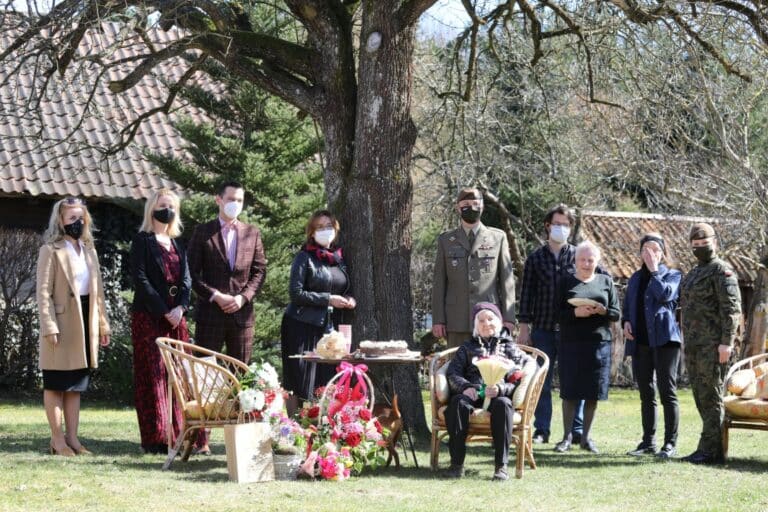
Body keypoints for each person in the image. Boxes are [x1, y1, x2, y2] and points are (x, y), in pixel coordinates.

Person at [130, 189, 205, 454]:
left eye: (172, 206)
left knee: (181, 375)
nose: (168, 210)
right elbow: (140, 279)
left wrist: (181, 308)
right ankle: (158, 437)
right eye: (163, 205)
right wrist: (164, 310)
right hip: (149, 316)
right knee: (154, 376)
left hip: (176, 318)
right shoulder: (142, 241)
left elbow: (186, 280)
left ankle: (187, 435)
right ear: (152, 209)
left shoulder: (177, 243)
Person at [36, 197, 110, 456]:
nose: (77, 223)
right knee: (56, 383)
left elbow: (98, 291)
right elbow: (43, 292)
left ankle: (73, 440)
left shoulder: (89, 250)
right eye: (72, 219)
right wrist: (49, 325)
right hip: (60, 323)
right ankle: (57, 441)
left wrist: (102, 324)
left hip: (85, 323)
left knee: (76, 386)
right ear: (60, 221)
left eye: (81, 218)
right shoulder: (50, 250)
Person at [517, 204, 586, 445]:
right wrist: (524, 328)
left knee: (574, 380)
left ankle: (576, 430)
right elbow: (526, 294)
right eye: (557, 224)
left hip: (572, 330)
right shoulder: (535, 258)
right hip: (543, 329)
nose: (561, 229)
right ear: (548, 226)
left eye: (565, 225)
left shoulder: (578, 256)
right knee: (541, 382)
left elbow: (598, 281)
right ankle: (541, 429)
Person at [444, 302, 534, 481]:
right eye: (481, 320)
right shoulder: (467, 347)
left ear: (499, 321)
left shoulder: (509, 347)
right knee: (457, 403)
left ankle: (501, 467)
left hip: (498, 395)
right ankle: (456, 464)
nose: (486, 324)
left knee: (504, 405)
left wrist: (502, 388)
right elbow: (453, 372)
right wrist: (466, 387)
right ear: (476, 325)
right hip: (473, 393)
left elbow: (520, 375)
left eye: (490, 319)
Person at [281, 210, 356, 413]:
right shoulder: (304, 257)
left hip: (329, 328)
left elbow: (342, 286)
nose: (325, 231)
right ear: (312, 232)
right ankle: (296, 424)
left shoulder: (339, 259)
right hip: (302, 324)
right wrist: (328, 299)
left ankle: (322, 422)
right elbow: (296, 294)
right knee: (301, 379)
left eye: (329, 226)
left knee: (326, 380)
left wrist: (349, 298)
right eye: (320, 227)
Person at [679, 223, 741, 465]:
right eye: (695, 245)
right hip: (694, 345)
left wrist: (726, 342)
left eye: (704, 244)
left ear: (714, 242)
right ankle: (710, 446)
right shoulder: (694, 273)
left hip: (713, 346)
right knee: (700, 395)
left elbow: (731, 310)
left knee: (711, 395)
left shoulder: (721, 271)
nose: (699, 248)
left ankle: (709, 451)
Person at [187, 181, 267, 364]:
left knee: (240, 376)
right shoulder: (202, 232)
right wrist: (215, 295)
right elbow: (190, 272)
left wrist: (243, 297)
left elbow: (260, 271)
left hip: (242, 316)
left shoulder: (252, 233)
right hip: (210, 315)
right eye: (231, 199)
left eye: (240, 200)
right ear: (219, 200)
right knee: (204, 372)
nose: (235, 204)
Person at [554, 241, 619, 454]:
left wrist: (603, 311)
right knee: (570, 392)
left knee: (593, 392)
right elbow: (556, 314)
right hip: (571, 343)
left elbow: (616, 313)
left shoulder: (606, 281)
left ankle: (586, 438)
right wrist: (575, 313)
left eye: (590, 260)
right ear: (575, 260)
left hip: (598, 344)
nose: (586, 263)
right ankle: (566, 437)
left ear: (597, 261)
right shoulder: (565, 282)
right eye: (582, 259)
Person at [431, 187, 515, 348]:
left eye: (476, 204)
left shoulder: (498, 238)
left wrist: (509, 318)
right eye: (466, 204)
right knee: (455, 368)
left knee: (489, 369)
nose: (471, 208)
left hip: (489, 320)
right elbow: (439, 283)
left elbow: (507, 281)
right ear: (458, 207)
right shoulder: (446, 240)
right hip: (456, 320)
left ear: (482, 206)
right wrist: (438, 320)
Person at [623, 233, 682, 459]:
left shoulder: (673, 275)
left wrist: (655, 269)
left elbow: (666, 295)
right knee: (646, 393)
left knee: (668, 392)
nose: (650, 252)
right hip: (641, 342)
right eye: (645, 248)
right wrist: (626, 321)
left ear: (662, 253)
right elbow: (629, 305)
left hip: (666, 341)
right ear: (639, 252)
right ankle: (648, 442)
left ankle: (669, 444)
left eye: (655, 249)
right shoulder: (635, 278)